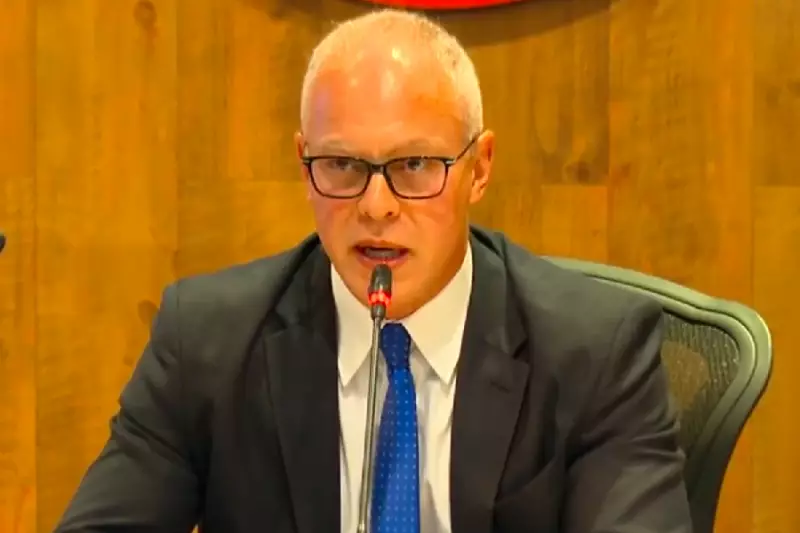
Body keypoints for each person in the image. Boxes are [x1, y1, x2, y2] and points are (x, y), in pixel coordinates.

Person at [54, 8, 693, 533]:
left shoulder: (594, 353)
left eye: (414, 165)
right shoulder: (207, 344)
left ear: (480, 168)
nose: (376, 206)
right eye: (342, 166)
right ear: (304, 162)